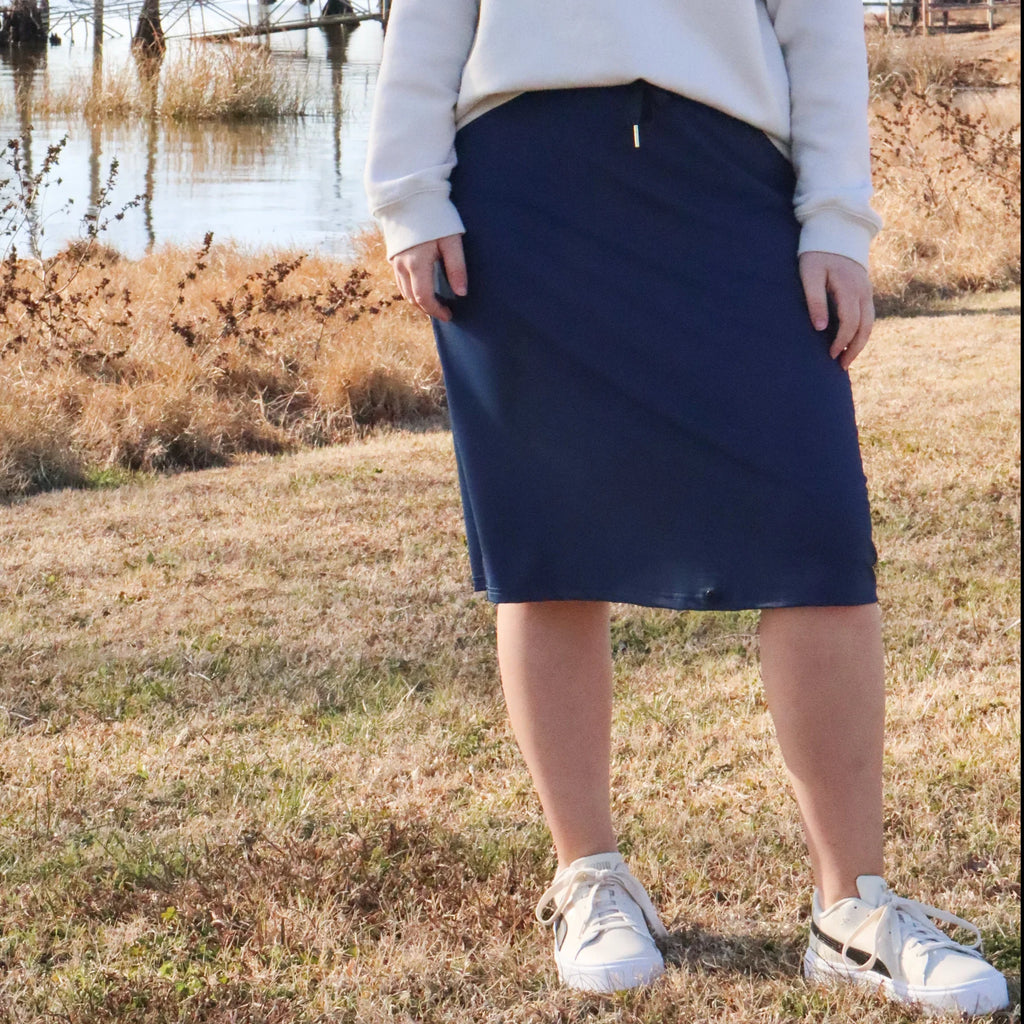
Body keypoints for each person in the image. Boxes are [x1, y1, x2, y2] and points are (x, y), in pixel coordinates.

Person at [364, 0, 1010, 1014]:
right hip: (521, 192)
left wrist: (836, 223)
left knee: (815, 535)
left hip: (733, 184)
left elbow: (818, 26)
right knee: (548, 539)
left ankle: (852, 909)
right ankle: (589, 876)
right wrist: (411, 195)